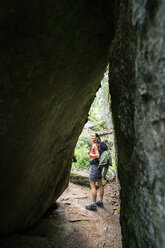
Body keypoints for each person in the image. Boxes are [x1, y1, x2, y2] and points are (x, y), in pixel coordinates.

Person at [85, 133, 104, 211]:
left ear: (97, 138)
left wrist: (90, 153)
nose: (92, 137)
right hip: (99, 166)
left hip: (94, 166)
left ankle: (93, 204)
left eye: (93, 136)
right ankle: (100, 201)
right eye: (91, 136)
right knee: (100, 183)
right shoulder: (99, 145)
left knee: (92, 184)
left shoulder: (94, 145)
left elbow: (97, 155)